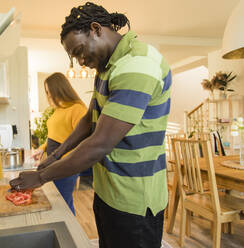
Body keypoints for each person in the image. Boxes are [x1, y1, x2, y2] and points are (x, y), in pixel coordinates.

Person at [10, 2, 171, 248]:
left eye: (80, 51)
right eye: (75, 57)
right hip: (108, 190)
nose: (81, 61)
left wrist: (41, 177)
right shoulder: (107, 68)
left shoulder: (137, 64)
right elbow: (89, 119)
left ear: (96, 29)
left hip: (134, 199)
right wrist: (55, 155)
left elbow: (100, 144)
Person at [32, 72, 87, 214]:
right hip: (54, 163)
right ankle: (71, 233)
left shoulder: (77, 109)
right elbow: (55, 135)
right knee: (62, 202)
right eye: (46, 91)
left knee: (63, 204)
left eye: (49, 91)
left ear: (59, 89)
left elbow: (82, 140)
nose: (48, 94)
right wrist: (42, 148)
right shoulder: (58, 110)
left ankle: (71, 234)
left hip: (66, 165)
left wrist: (65, 160)